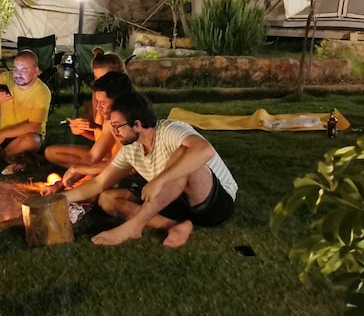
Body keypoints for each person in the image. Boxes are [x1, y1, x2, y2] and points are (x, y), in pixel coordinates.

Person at [44, 91, 237, 248]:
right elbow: (99, 183)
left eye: (117, 126)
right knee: (107, 198)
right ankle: (174, 226)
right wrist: (60, 197)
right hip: (174, 202)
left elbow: (204, 150)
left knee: (182, 153)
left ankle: (133, 227)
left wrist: (159, 181)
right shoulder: (131, 148)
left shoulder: (170, 130)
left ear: (137, 124)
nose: (114, 132)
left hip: (213, 204)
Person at [0, 50, 52, 174]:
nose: (18, 74)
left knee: (32, 141)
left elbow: (34, 126)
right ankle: (8, 155)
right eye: (16, 68)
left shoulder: (42, 92)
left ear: (36, 71)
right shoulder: (5, 78)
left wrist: (3, 135)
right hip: (1, 131)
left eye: (24, 69)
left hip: (24, 135)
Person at [54, 71, 134, 190]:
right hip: (117, 169)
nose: (98, 107)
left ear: (119, 100)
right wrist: (61, 183)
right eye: (97, 102)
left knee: (99, 191)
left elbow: (119, 165)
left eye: (102, 103)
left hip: (138, 178)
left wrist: (79, 169)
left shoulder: (131, 126)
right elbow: (92, 156)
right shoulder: (110, 123)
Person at [45, 64, 131, 170]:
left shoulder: (128, 121)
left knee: (97, 168)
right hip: (105, 156)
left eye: (103, 77)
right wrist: (82, 130)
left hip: (116, 161)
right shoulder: (104, 110)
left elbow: (120, 162)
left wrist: (84, 171)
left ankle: (92, 172)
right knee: (51, 152)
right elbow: (95, 151)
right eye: (96, 77)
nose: (98, 107)